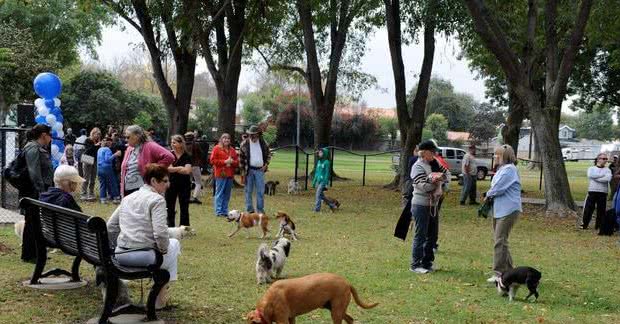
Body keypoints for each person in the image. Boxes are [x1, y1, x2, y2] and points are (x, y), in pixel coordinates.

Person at [107, 164, 181, 309]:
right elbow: (160, 234)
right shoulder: (157, 200)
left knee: (171, 245)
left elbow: (110, 226)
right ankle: (160, 300)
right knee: (173, 245)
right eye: (165, 181)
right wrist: (163, 250)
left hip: (120, 254)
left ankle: (161, 299)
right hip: (142, 256)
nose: (168, 185)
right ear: (153, 181)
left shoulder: (128, 198)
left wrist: (123, 243)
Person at [409, 140, 449, 274]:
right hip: (420, 205)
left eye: (435, 151)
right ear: (424, 152)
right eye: (432, 151)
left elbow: (447, 175)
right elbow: (424, 186)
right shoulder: (417, 166)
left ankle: (427, 263)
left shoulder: (435, 163)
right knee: (420, 235)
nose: (435, 154)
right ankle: (415, 264)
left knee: (432, 235)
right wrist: (436, 183)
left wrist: (440, 181)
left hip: (433, 205)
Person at [484, 145, 522, 283]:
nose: (495, 157)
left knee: (500, 241)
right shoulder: (502, 170)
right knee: (501, 241)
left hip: (508, 209)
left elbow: (498, 188)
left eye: (497, 155)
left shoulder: (509, 170)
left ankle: (499, 273)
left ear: (504, 156)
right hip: (499, 209)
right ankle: (511, 271)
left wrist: (487, 194)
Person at [20, 124, 54, 262]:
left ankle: (36, 253)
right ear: (44, 135)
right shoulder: (33, 148)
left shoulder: (36, 147)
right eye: (49, 135)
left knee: (35, 223)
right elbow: (34, 172)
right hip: (34, 192)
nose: (51, 138)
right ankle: (29, 255)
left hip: (38, 191)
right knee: (32, 222)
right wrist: (41, 192)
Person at [120, 125, 175, 197]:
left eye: (128, 137)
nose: (126, 140)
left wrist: (154, 170)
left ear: (137, 136)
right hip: (128, 188)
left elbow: (169, 156)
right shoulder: (129, 148)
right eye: (125, 137)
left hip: (142, 189)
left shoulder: (149, 146)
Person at [239, 125, 271, 214]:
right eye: (251, 134)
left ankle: (260, 210)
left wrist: (266, 164)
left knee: (260, 191)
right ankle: (249, 210)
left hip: (260, 170)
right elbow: (241, 160)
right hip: (248, 171)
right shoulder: (244, 144)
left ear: (258, 134)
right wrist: (243, 174)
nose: (253, 136)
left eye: (255, 134)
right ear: (249, 134)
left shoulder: (263, 143)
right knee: (248, 191)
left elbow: (269, 154)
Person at [209, 133, 239, 217]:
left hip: (230, 174)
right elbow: (212, 161)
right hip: (220, 174)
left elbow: (237, 162)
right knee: (219, 193)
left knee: (227, 194)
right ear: (221, 139)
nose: (226, 140)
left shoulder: (232, 150)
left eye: (228, 139)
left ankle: (225, 211)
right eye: (224, 138)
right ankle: (218, 211)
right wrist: (224, 162)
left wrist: (232, 162)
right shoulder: (216, 148)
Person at [166, 135, 193, 227]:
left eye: (174, 142)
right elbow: (168, 169)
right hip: (170, 183)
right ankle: (170, 226)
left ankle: (184, 227)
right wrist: (181, 167)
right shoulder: (169, 154)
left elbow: (187, 171)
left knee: (184, 206)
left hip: (184, 184)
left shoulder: (187, 156)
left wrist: (175, 168)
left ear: (181, 144)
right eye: (171, 142)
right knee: (169, 206)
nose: (172, 144)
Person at [582, 153, 612, 230]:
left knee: (601, 210)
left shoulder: (608, 170)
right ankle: (584, 225)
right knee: (588, 209)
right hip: (592, 191)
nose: (605, 160)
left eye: (606, 159)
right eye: (603, 158)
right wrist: (602, 175)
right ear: (598, 159)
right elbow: (590, 175)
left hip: (603, 192)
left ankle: (598, 226)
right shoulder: (591, 168)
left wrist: (595, 177)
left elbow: (607, 179)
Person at [97, 136, 122, 204]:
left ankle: (103, 198)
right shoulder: (107, 149)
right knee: (112, 182)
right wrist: (115, 154)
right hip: (107, 168)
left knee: (103, 184)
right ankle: (116, 198)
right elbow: (107, 159)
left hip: (99, 168)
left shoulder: (99, 150)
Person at [312, 147, 337, 212]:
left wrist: (325, 183)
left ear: (324, 154)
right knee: (321, 196)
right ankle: (332, 205)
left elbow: (327, 173)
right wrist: (314, 181)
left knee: (317, 194)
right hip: (318, 180)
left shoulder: (327, 162)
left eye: (321, 152)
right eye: (319, 152)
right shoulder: (319, 162)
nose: (319, 154)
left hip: (323, 181)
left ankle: (317, 209)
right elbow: (317, 172)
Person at [80, 128, 101, 201]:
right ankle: (83, 194)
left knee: (93, 178)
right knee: (86, 178)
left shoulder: (98, 141)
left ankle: (91, 193)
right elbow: (87, 151)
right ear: (93, 133)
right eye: (97, 134)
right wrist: (95, 146)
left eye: (99, 134)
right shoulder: (88, 140)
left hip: (95, 160)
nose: (98, 136)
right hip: (87, 159)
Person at [184, 132, 205, 204]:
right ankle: (195, 197)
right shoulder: (196, 144)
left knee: (188, 182)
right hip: (195, 165)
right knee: (198, 182)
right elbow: (201, 154)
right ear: (193, 137)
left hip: (187, 165)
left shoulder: (183, 145)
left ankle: (187, 197)